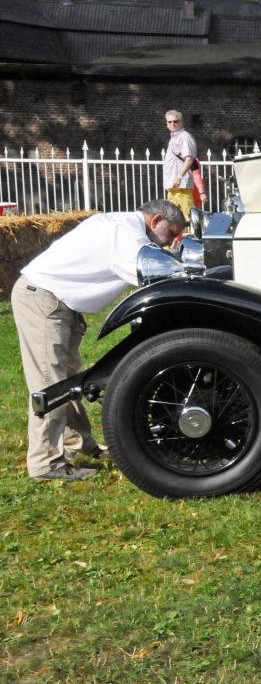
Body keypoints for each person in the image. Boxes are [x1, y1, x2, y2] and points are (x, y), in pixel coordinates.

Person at [11, 199, 186, 481]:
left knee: (67, 380)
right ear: (155, 221)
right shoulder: (126, 233)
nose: (167, 244)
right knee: (50, 383)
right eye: (170, 234)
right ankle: (45, 464)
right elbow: (147, 271)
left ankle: (78, 445)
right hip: (44, 299)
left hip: (56, 301)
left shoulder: (121, 223)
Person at [163, 110, 198, 220]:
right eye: (169, 122)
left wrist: (179, 177)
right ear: (166, 123)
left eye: (175, 121)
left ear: (181, 122)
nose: (173, 124)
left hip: (181, 186)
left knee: (189, 218)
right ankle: (177, 237)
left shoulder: (184, 137)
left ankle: (192, 237)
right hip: (172, 186)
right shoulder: (174, 138)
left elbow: (189, 159)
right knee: (171, 219)